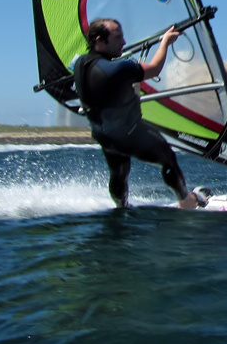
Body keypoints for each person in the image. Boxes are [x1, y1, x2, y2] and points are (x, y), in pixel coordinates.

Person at [73, 18, 206, 209]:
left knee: (119, 172)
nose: (124, 42)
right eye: (118, 37)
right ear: (100, 40)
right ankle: (186, 201)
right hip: (129, 132)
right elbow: (155, 68)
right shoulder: (116, 69)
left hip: (103, 135)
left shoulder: (80, 64)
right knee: (168, 158)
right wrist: (165, 43)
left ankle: (121, 206)